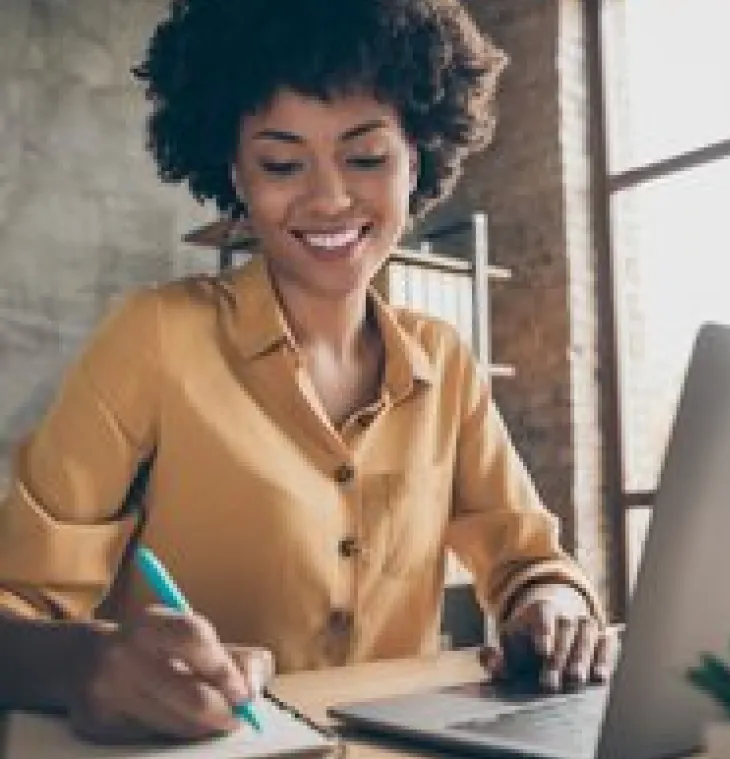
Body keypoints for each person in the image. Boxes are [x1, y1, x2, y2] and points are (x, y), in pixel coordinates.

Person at [0, 0, 615, 744]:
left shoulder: (445, 360)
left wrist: (551, 606)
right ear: (235, 174)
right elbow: (14, 612)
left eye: (365, 156)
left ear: (415, 159)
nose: (327, 197)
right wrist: (82, 662)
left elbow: (527, 560)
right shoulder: (154, 339)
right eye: (282, 162)